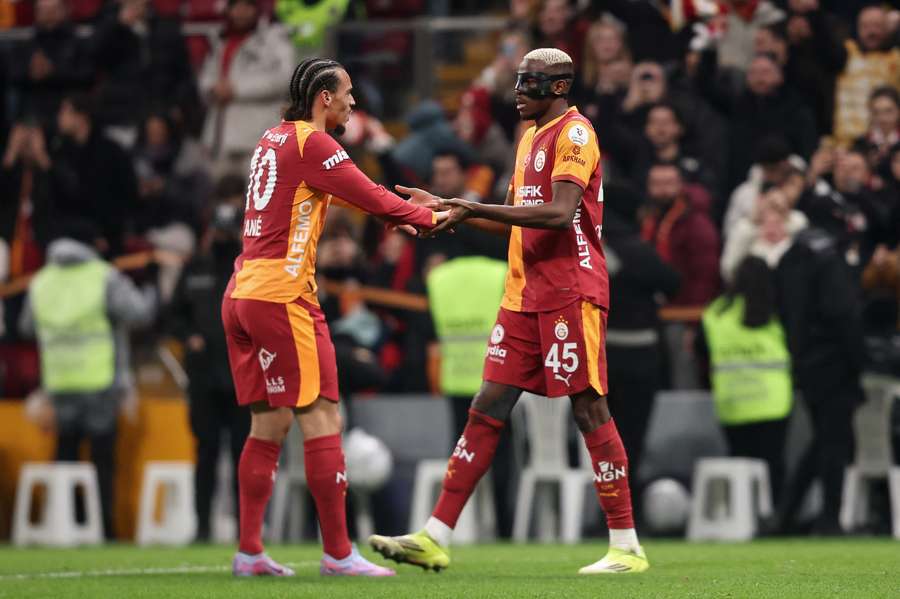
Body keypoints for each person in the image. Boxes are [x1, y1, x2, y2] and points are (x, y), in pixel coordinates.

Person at [369, 48, 649, 575]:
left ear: (560, 88)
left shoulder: (576, 134)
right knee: (487, 406)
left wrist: (475, 206)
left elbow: (561, 214)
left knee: (589, 407)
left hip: (570, 288)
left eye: (532, 82)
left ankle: (625, 544)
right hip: (524, 294)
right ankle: (435, 535)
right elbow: (515, 221)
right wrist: (452, 211)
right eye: (518, 80)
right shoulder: (529, 137)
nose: (518, 90)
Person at [221, 57, 448, 578]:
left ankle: (250, 551)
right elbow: (370, 196)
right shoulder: (314, 143)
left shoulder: (272, 138)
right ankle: (339, 555)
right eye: (347, 93)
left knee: (268, 422)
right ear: (324, 97)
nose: (354, 102)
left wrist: (406, 213)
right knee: (323, 417)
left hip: (242, 291)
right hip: (282, 295)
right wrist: (430, 215)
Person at [19, 220, 156, 539]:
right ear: (92, 245)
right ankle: (101, 530)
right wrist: (149, 289)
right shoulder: (103, 276)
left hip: (59, 380)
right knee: (101, 461)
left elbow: (26, 326)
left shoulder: (41, 280)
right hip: (98, 377)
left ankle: (67, 528)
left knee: (65, 456)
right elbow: (138, 313)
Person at [168, 193, 250, 543]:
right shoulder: (195, 268)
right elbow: (172, 314)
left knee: (243, 455)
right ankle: (202, 526)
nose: (222, 239)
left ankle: (248, 529)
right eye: (219, 232)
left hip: (242, 373)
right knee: (206, 451)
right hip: (203, 375)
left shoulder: (250, 267)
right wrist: (189, 337)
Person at [700, 256, 793, 504]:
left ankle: (742, 514)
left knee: (739, 465)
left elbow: (702, 351)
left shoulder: (716, 313)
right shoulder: (777, 311)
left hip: (732, 402)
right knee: (773, 463)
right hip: (773, 402)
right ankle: (775, 518)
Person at [199, 0, 296, 177]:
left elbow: (285, 77)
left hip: (257, 136)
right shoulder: (220, 39)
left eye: (247, 6)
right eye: (236, 6)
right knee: (220, 200)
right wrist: (212, 89)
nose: (241, 12)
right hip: (220, 136)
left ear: (256, 9)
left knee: (258, 200)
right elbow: (206, 78)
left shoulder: (274, 37)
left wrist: (236, 89)